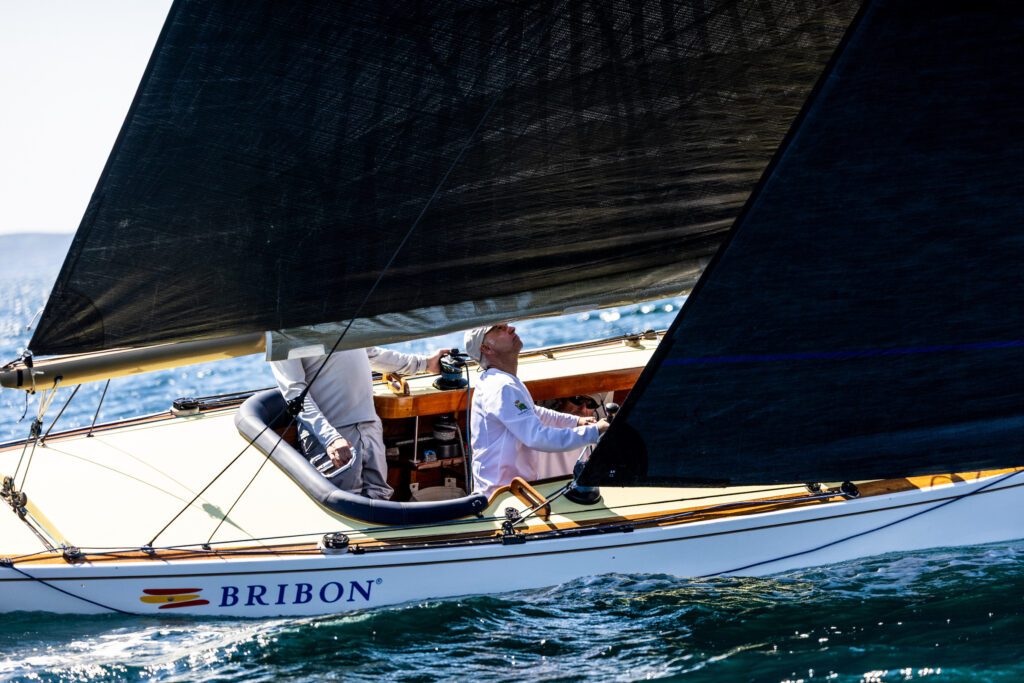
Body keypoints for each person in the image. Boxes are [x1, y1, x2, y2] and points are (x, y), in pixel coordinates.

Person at [271, 346, 444, 500]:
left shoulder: (344, 316)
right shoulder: (283, 332)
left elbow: (371, 354)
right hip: (333, 436)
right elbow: (295, 393)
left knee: (381, 496)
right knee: (346, 505)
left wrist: (425, 364)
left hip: (369, 425)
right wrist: (330, 438)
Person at [464, 323, 609, 497]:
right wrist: (594, 432)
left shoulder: (501, 381)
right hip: (501, 497)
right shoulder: (502, 387)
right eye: (499, 329)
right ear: (486, 348)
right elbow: (536, 437)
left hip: (513, 492)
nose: (511, 329)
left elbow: (534, 412)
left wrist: (576, 421)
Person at [533, 392, 612, 479]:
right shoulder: (539, 426)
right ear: (561, 399)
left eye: (590, 403)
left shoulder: (600, 436)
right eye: (578, 399)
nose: (583, 408)